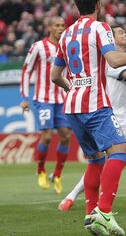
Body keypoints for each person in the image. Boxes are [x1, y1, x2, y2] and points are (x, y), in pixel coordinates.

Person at [51, 0, 126, 236]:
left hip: (73, 106)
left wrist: (73, 87)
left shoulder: (66, 35)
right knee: (119, 154)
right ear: (98, 5)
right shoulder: (99, 28)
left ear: (78, 6)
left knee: (95, 160)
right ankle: (104, 212)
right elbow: (114, 60)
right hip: (95, 104)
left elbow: (56, 75)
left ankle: (91, 216)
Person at [58, 25, 126, 212]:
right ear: (111, 39)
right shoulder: (107, 61)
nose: (125, 33)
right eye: (120, 32)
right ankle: (72, 196)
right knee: (101, 162)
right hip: (107, 113)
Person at [20, 16, 71, 194]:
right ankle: (41, 169)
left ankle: (57, 174)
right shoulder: (39, 47)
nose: (60, 28)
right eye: (57, 25)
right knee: (47, 136)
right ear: (49, 27)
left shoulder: (66, 46)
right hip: (43, 99)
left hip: (61, 99)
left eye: (62, 25)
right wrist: (24, 97)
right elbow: (26, 70)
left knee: (65, 136)